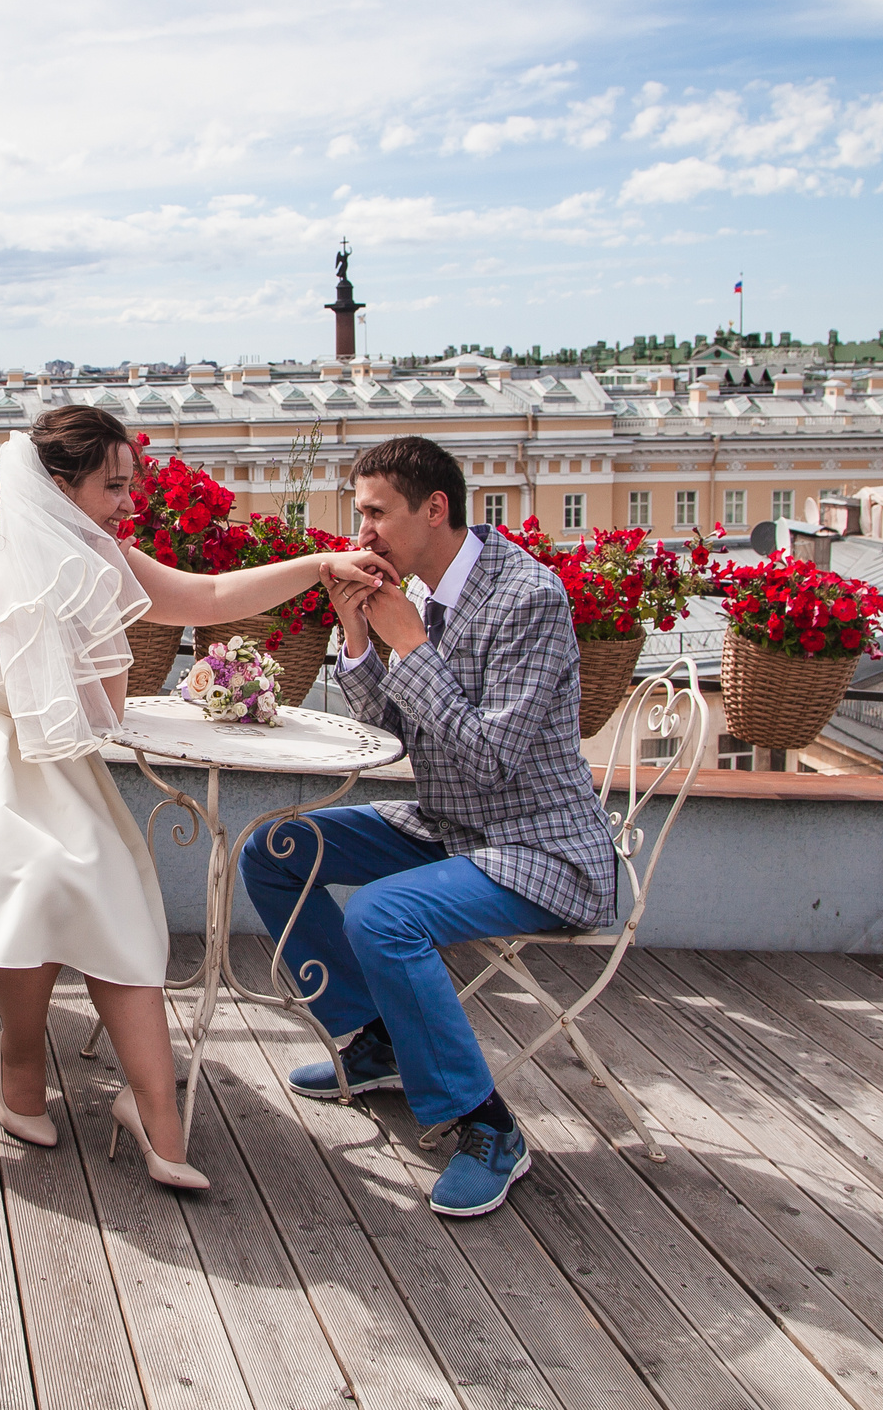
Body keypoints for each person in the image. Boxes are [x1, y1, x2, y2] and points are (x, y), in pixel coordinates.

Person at [0, 406, 397, 1192]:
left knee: (104, 888)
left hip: (51, 766)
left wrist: (320, 566)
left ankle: (156, 1112)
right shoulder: (3, 592)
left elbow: (212, 593)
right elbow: (102, 710)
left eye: (129, 486)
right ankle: (22, 1065)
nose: (129, 504)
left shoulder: (93, 557)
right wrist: (102, 608)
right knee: (52, 882)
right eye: (112, 487)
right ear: (57, 489)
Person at [239, 435, 613, 1219]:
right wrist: (359, 638)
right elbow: (391, 732)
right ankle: (371, 1039)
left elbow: (488, 760)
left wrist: (408, 643)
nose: (362, 532)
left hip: (541, 845)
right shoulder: (418, 593)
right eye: (358, 513)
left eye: (375, 512)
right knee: (275, 849)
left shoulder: (527, 598)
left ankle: (487, 1126)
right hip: (448, 824)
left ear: (434, 508)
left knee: (384, 913)